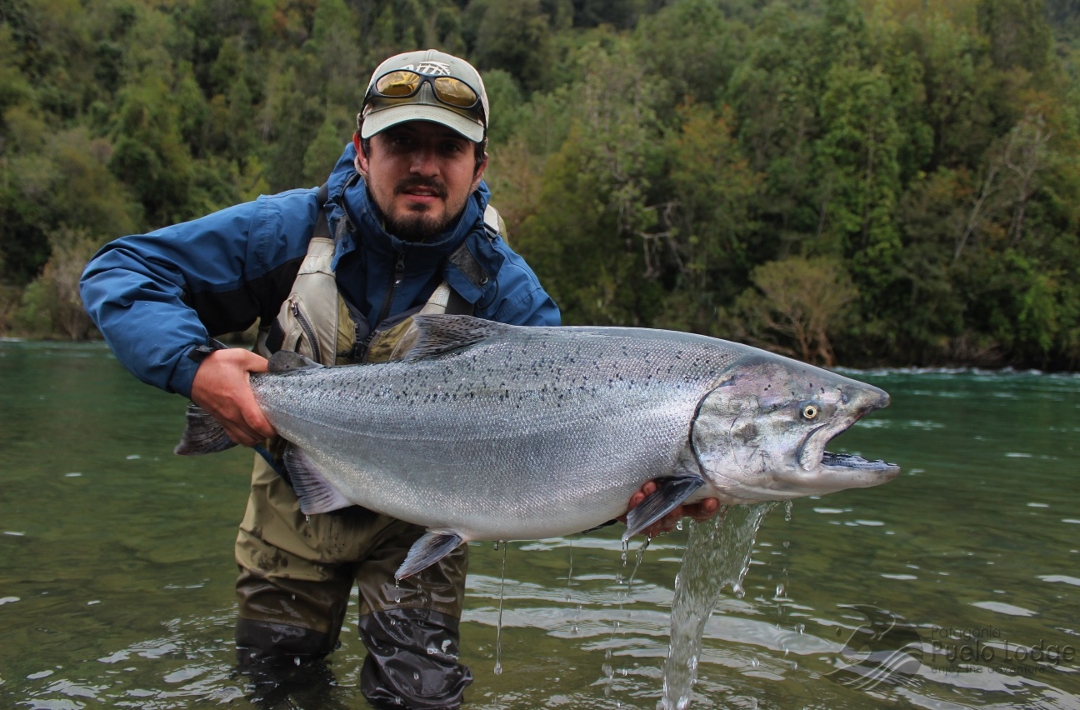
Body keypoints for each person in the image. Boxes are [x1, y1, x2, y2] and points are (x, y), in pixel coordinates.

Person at [81, 49, 717, 709]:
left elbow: (555, 464)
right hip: (293, 501)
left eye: (448, 148)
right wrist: (196, 366)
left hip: (427, 522)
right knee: (278, 688)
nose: (424, 165)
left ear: (478, 168)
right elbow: (120, 272)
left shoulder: (510, 298)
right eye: (402, 143)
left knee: (420, 698)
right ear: (361, 151)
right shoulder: (286, 233)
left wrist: (648, 491)